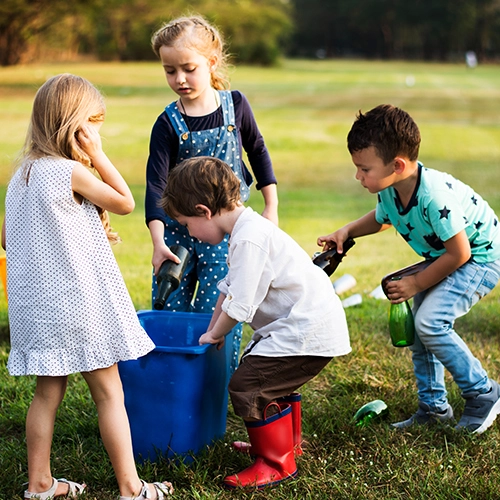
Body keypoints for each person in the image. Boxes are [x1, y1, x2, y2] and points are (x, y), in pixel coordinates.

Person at [1, 74, 173, 500]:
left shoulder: (20, 177)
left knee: (46, 395)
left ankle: (40, 483)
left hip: (37, 309)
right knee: (110, 394)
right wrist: (98, 153)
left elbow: (6, 238)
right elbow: (126, 202)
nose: (98, 132)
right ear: (75, 125)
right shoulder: (68, 171)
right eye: (94, 124)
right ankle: (131, 488)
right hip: (80, 306)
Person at [160, 156, 350, 489]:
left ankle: (275, 463)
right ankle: (282, 446)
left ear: (204, 210)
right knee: (273, 382)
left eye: (188, 224)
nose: (190, 233)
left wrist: (216, 333)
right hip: (305, 327)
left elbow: (241, 305)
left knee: (249, 386)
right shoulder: (246, 230)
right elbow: (229, 289)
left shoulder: (249, 239)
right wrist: (210, 330)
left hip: (307, 330)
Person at [318, 104, 500, 434]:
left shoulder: (433, 195)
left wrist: (415, 283)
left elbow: (459, 253)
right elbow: (382, 218)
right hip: (444, 255)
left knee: (431, 322)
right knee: (420, 329)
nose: (358, 176)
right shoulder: (391, 188)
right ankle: (433, 407)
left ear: (397, 165)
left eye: (364, 169)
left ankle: (483, 393)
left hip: (481, 257)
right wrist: (346, 231)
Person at [145, 15, 279, 373]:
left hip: (226, 239)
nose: (179, 79)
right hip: (177, 236)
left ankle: (213, 384)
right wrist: (159, 242)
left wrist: (271, 206)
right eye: (169, 71)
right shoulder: (168, 123)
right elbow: (155, 184)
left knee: (215, 313)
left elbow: (258, 151)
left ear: (211, 62)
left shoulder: (235, 106)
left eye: (188, 68)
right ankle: (171, 379)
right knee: (169, 308)